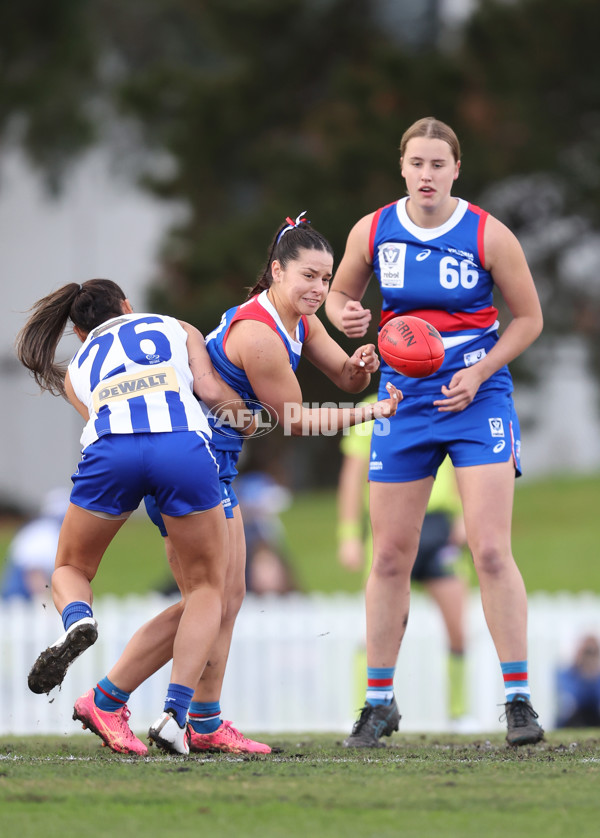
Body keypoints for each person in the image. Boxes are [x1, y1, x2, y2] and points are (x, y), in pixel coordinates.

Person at [69, 214, 401, 756]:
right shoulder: (259, 335)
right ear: (276, 270)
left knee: (227, 595)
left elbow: (345, 377)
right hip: (189, 457)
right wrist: (373, 413)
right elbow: (294, 419)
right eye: (308, 277)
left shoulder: (300, 318)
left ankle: (204, 720)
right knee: (206, 597)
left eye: (326, 277)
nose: (319, 289)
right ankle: (109, 699)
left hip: (212, 460)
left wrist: (364, 366)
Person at [325, 117, 544, 747]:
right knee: (390, 555)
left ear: (456, 171)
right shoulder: (372, 230)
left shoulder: (487, 234)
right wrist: (351, 317)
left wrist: (479, 372)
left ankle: (518, 699)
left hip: (477, 399)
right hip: (403, 399)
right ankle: (379, 702)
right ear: (402, 167)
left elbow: (528, 320)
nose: (426, 174)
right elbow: (341, 298)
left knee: (490, 550)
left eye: (438, 165)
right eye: (416, 163)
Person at [15, 278, 254, 755]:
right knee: (209, 589)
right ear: (128, 306)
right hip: (180, 449)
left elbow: (98, 418)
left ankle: (78, 618)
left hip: (113, 452)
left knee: (70, 568)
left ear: (80, 333)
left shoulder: (76, 367)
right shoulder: (174, 326)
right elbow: (207, 389)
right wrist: (245, 415)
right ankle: (175, 714)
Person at [337, 408, 470, 726]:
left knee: (458, 627)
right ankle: (366, 709)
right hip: (390, 526)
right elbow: (352, 478)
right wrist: (348, 534)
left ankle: (459, 712)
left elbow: (463, 462)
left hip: (440, 527)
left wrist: (465, 517)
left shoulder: (445, 399)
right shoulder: (372, 407)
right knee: (374, 625)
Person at [0, 487, 70, 601]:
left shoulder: (37, 528)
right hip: (20, 597)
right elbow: (35, 573)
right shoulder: (47, 532)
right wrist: (47, 602)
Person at [555, 635, 600, 728]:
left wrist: (593, 673)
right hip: (572, 720)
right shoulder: (566, 673)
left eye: (593, 652)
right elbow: (571, 699)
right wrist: (584, 674)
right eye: (587, 652)